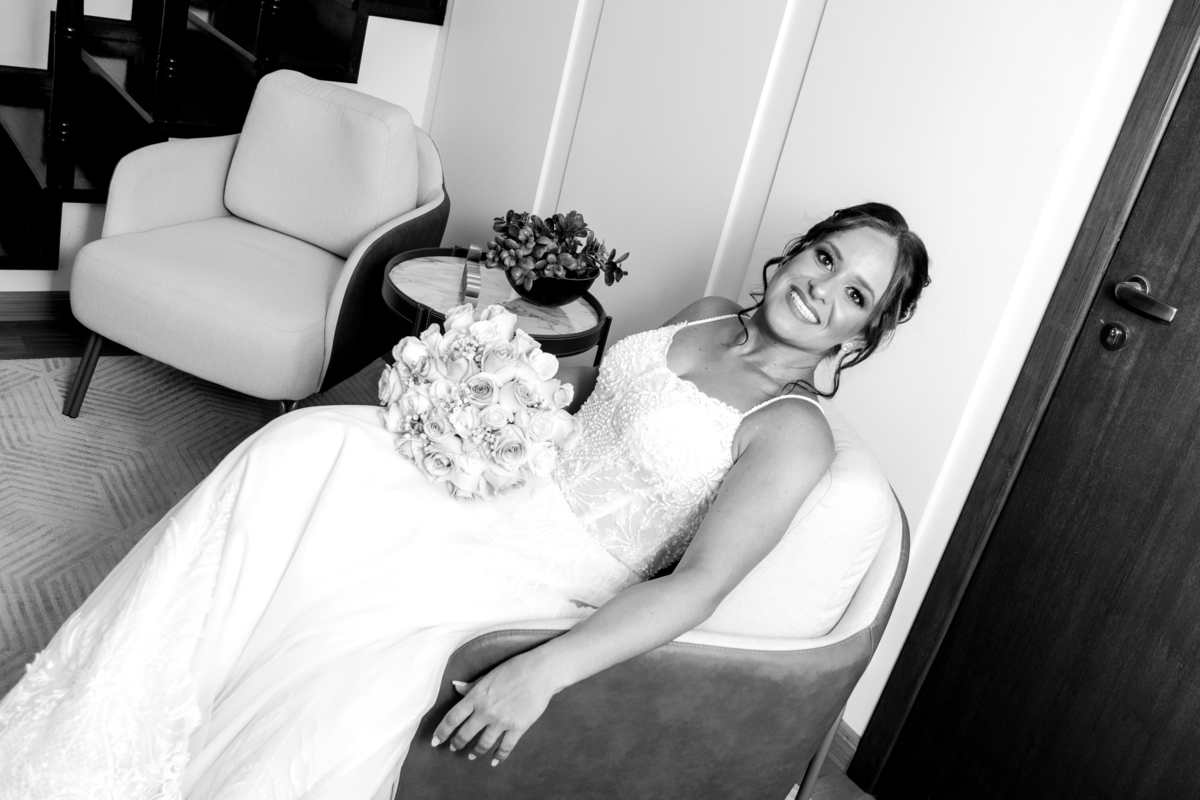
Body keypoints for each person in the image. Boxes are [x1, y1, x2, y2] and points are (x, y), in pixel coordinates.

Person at [0, 202, 928, 799]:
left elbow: (698, 587)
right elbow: (594, 403)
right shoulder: (707, 310)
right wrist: (484, 400)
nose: (821, 288)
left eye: (854, 293)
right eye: (824, 256)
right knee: (301, 450)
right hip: (517, 483)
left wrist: (544, 671)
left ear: (862, 334)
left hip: (557, 570)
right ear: (795, 251)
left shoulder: (790, 432)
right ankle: (114, 729)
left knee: (353, 652)